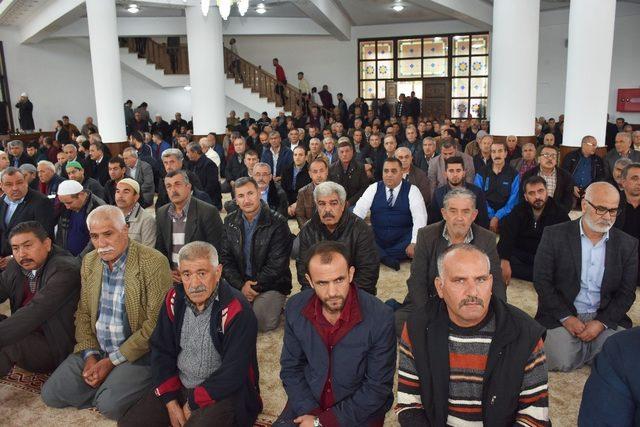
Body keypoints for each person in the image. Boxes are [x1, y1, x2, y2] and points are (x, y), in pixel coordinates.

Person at [41, 206, 173, 420]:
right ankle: (108, 383)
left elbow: (155, 326)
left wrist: (111, 362)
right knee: (52, 394)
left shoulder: (153, 262)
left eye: (108, 234)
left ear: (126, 229)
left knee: (109, 406)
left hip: (136, 353)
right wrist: (90, 355)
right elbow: (83, 312)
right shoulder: (90, 261)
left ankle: (125, 383)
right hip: (99, 348)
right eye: (94, 236)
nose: (101, 243)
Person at [396, 244, 549, 426]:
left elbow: (534, 416)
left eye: (481, 280)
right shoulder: (417, 328)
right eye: (460, 280)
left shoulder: (525, 333)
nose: (473, 292)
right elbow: (409, 405)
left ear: (491, 283)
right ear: (440, 287)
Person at [118, 241, 262, 427]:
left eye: (202, 273)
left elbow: (234, 373)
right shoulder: (173, 299)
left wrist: (193, 403)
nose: (194, 284)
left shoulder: (237, 309)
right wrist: (170, 401)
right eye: (187, 274)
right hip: (181, 383)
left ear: (217, 272)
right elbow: (161, 349)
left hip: (222, 393)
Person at [276, 241, 395, 427]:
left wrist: (323, 422)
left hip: (359, 410)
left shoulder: (381, 317)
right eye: (322, 283)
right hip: (309, 402)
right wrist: (313, 415)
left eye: (339, 280)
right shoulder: (295, 308)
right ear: (309, 281)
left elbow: (377, 388)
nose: (332, 292)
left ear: (351, 274)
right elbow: (291, 369)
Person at [533, 182, 638, 372]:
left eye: (613, 211)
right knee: (559, 358)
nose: (607, 217)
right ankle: (591, 350)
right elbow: (542, 282)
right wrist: (567, 318)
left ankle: (593, 347)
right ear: (584, 205)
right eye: (600, 209)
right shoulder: (554, 235)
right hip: (562, 313)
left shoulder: (627, 245)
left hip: (604, 315)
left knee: (622, 357)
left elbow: (626, 293)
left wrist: (600, 323)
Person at [394, 187, 506, 334]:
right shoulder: (426, 235)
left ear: (474, 215)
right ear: (444, 213)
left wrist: (500, 314)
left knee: (500, 329)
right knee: (397, 323)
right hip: (431, 300)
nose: (459, 217)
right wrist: (429, 315)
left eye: (465, 211)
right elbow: (417, 281)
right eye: (453, 211)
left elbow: (496, 282)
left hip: (469, 302)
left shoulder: (487, 239)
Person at [0, 221, 80, 377]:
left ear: (47, 244)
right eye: (15, 248)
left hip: (54, 343)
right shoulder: (16, 266)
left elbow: (35, 311)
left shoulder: (65, 269)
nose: (22, 254)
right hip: (27, 332)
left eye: (28, 246)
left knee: (11, 342)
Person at [219, 177, 292, 332]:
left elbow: (277, 265)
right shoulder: (229, 221)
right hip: (239, 281)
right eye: (241, 196)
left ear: (259, 193)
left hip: (271, 284)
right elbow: (225, 259)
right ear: (235, 200)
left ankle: (275, 304)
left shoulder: (278, 222)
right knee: (223, 317)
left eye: (250, 193)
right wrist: (240, 285)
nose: (246, 200)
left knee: (260, 322)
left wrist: (254, 287)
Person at [297, 182, 379, 295]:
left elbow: (368, 274)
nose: (327, 209)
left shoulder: (361, 229)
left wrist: (340, 297)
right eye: (322, 204)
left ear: (343, 205)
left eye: (333, 203)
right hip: (318, 293)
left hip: (355, 293)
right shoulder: (308, 230)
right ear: (316, 205)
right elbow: (303, 271)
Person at [353, 158, 427, 271]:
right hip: (378, 238)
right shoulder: (373, 188)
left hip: (403, 240)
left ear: (402, 172)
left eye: (393, 171)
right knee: (363, 236)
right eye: (386, 171)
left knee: (418, 242)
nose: (389, 175)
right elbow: (357, 214)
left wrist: (414, 243)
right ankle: (386, 257)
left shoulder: (412, 190)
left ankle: (380, 256)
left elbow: (420, 219)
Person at [498, 176, 570, 283]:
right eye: (531, 193)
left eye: (540, 191)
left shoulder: (559, 213)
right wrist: (504, 260)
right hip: (521, 258)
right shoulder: (519, 210)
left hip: (545, 259)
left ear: (547, 192)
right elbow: (507, 235)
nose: (537, 196)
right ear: (526, 197)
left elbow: (565, 244)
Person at [155, 170, 223, 283]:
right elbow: (160, 250)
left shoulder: (207, 212)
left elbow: (218, 251)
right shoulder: (162, 213)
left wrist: (190, 274)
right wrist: (167, 271)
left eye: (177, 184)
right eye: (169, 186)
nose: (173, 190)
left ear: (188, 187)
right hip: (173, 277)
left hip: (201, 277)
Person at [578, 327, 640, 426]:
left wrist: (601, 323)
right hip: (566, 322)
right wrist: (567, 318)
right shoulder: (622, 348)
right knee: (562, 358)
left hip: (606, 324)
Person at [0, 167, 55, 266]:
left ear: (26, 182)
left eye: (19, 182)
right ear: (1, 186)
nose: (15, 188)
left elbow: (44, 236)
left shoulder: (41, 202)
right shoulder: (1, 201)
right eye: (9, 184)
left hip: (28, 262)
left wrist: (14, 257)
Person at [428, 156, 489, 228]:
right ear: (445, 174)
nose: (455, 174)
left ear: (463, 173)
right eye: (451, 171)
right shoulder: (438, 194)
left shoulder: (476, 192)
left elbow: (483, 222)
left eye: (458, 170)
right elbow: (433, 223)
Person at [474, 140, 520, 233]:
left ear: (506, 153)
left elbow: (513, 201)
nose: (497, 154)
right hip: (485, 214)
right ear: (490, 154)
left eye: (500, 151)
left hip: (506, 216)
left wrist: (497, 217)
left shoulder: (514, 174)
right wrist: (491, 215)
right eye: (493, 151)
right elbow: (478, 196)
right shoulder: (481, 173)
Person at [55, 179, 105, 257]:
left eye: (69, 203)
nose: (67, 207)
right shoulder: (65, 206)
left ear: (81, 194)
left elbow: (97, 239)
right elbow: (61, 234)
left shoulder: (98, 208)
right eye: (64, 203)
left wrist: (80, 260)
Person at [522, 145, 575, 214]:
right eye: (546, 155)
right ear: (538, 159)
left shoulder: (566, 177)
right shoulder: (528, 175)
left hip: (556, 216)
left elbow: (568, 201)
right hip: (532, 214)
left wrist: (557, 215)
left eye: (553, 156)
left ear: (557, 160)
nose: (550, 158)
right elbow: (523, 198)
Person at [614, 163, 640, 286]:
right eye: (635, 178)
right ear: (623, 182)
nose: (639, 182)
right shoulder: (612, 205)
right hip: (617, 263)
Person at [560, 135, 606, 200]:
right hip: (570, 190)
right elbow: (563, 174)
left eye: (596, 145)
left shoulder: (598, 160)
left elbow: (601, 177)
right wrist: (571, 186)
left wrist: (591, 189)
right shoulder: (570, 156)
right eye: (593, 145)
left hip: (590, 192)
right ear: (583, 144)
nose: (595, 147)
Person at [328, 140, 369, 209]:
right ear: (338, 153)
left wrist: (350, 202)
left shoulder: (360, 167)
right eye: (341, 152)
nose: (344, 154)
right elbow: (330, 188)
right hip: (336, 203)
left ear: (352, 152)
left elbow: (364, 188)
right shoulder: (331, 168)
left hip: (354, 203)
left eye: (347, 151)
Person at [115, 178, 156, 247]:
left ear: (136, 197)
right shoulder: (110, 216)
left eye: (126, 192)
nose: (120, 196)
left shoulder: (146, 220)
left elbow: (148, 253)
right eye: (118, 191)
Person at [185, 142, 222, 210]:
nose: (186, 154)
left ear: (195, 152)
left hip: (209, 200)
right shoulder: (190, 163)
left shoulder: (210, 165)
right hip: (195, 197)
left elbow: (211, 186)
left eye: (188, 152)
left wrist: (198, 197)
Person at [295, 157, 328, 228]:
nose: (319, 175)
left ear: (327, 171)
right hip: (310, 231)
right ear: (310, 174)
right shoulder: (303, 192)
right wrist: (309, 232)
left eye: (321, 171)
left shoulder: (336, 190)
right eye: (315, 172)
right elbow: (300, 216)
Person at [281, 146, 311, 216]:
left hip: (305, 204)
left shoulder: (311, 170)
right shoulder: (286, 170)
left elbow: (309, 192)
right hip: (288, 205)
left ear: (306, 157)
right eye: (295, 155)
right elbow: (283, 190)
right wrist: (288, 206)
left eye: (300, 155)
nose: (297, 157)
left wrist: (297, 204)